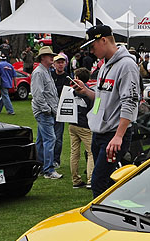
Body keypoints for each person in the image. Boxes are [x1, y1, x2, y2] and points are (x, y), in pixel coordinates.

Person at [70, 25, 142, 197]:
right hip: (99, 133)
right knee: (107, 182)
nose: (91, 51)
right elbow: (102, 99)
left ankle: (102, 214)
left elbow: (130, 102)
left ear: (103, 40)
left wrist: (118, 136)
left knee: (98, 182)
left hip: (113, 134)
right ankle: (124, 206)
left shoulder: (126, 65)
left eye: (92, 46)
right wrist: (86, 91)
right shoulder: (104, 65)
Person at [30, 46, 61, 179]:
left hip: (46, 111)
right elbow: (37, 94)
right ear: (43, 58)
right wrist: (46, 109)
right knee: (50, 139)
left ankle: (40, 166)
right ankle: (48, 170)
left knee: (42, 140)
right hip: (44, 112)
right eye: (50, 56)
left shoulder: (45, 71)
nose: (52, 58)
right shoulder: (39, 72)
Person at [67, 67, 95, 189]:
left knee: (74, 152)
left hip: (73, 124)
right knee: (91, 152)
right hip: (85, 126)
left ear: (77, 78)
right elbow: (94, 109)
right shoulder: (88, 92)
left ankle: (75, 180)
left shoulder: (71, 91)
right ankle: (90, 179)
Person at [50, 54, 71, 169]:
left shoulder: (67, 77)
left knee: (58, 137)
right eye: (58, 62)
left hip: (60, 110)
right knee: (48, 136)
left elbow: (66, 92)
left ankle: (56, 160)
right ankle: (47, 159)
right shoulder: (50, 75)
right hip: (49, 109)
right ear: (54, 64)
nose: (60, 64)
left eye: (62, 62)